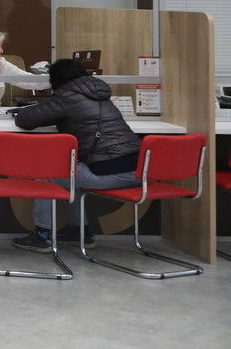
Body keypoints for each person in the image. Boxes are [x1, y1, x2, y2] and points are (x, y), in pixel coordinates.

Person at [10, 58, 141, 252]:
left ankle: (42, 236)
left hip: (108, 171)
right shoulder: (100, 94)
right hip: (138, 170)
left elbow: (25, 120)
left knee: (47, 175)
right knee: (72, 173)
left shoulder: (67, 97)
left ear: (56, 80)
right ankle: (79, 232)